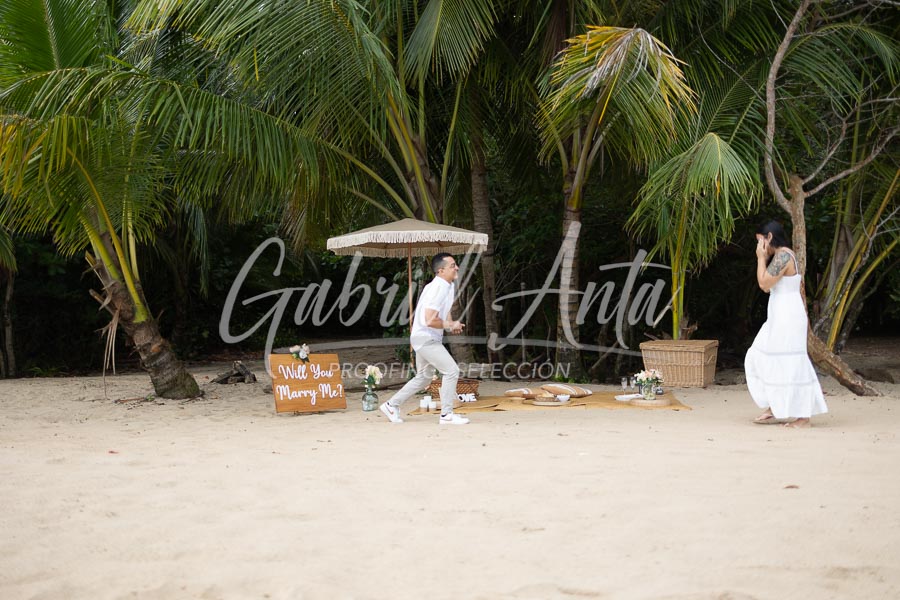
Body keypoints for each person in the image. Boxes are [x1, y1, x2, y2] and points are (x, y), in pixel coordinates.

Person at [745, 220, 828, 428]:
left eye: (761, 241)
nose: (759, 246)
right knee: (759, 355)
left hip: (788, 316)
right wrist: (763, 258)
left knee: (791, 362)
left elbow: (763, 283)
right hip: (778, 314)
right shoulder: (779, 256)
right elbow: (767, 285)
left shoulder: (783, 256)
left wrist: (760, 258)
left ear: (769, 237)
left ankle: (803, 417)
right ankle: (775, 405)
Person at [379, 252, 469, 425]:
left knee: (424, 377)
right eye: (452, 266)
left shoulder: (447, 286)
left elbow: (444, 311)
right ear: (441, 270)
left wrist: (450, 324)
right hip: (426, 338)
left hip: (423, 337)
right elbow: (429, 320)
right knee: (451, 371)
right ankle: (447, 415)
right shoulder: (437, 288)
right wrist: (451, 324)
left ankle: (391, 405)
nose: (457, 268)